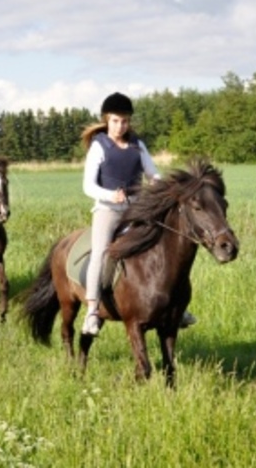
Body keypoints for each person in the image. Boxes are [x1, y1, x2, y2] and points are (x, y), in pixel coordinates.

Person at [80, 92, 197, 336]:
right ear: (106, 119)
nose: (120, 126)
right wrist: (109, 195)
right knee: (101, 252)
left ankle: (176, 308)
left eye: (124, 121)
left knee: (164, 244)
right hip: (108, 209)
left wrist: (165, 187)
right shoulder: (99, 146)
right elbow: (87, 186)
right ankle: (92, 309)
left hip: (137, 208)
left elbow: (152, 174)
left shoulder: (137, 145)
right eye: (115, 121)